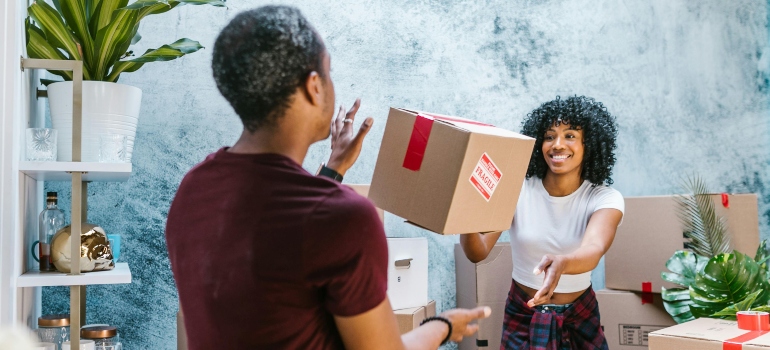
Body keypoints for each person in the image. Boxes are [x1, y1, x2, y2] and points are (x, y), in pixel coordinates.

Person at [165, 6, 489, 350]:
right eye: (330, 72)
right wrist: (441, 326)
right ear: (314, 86)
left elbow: (234, 303)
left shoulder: (194, 189)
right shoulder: (346, 220)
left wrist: (333, 170)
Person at [460, 96, 624, 349]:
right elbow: (477, 251)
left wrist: (563, 263)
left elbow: (594, 249)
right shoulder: (516, 189)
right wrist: (463, 215)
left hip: (579, 315)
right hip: (523, 313)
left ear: (588, 144)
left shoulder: (604, 198)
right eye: (549, 136)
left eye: (570, 135)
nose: (557, 145)